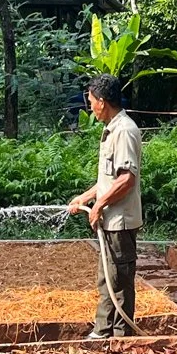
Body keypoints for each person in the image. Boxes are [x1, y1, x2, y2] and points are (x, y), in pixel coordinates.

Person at [67, 74, 143, 338]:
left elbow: (126, 179)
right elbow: (108, 179)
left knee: (119, 281)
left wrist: (99, 205)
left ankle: (119, 337)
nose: (89, 107)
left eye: (91, 101)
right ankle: (103, 331)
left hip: (119, 221)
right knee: (108, 278)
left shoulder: (124, 131)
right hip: (110, 220)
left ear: (102, 101)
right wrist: (86, 198)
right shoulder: (112, 128)